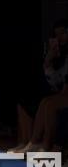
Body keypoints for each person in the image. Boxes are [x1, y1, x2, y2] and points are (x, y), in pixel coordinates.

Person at [10, 19, 68, 153]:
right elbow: (55, 81)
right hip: (58, 91)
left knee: (49, 103)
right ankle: (27, 142)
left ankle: (44, 146)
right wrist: (48, 61)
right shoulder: (61, 55)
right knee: (25, 99)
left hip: (62, 93)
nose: (60, 38)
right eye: (57, 35)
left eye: (63, 33)